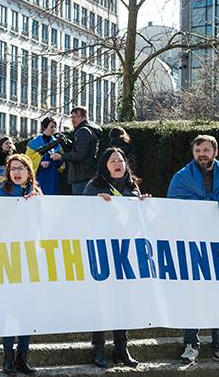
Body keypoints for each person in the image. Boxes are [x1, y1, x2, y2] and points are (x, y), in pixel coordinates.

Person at [167, 135, 219, 366]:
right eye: (198, 150)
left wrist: (208, 203)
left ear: (215, 152)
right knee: (192, 294)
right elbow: (172, 207)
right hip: (192, 244)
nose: (202, 154)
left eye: (206, 150)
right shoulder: (181, 178)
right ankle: (191, 344)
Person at [82, 147, 149, 368]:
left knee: (123, 301)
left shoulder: (132, 187)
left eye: (121, 160)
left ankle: (122, 347)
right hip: (101, 251)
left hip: (125, 252)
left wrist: (144, 205)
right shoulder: (93, 187)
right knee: (102, 301)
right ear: (104, 165)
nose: (118, 163)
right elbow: (80, 215)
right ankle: (99, 348)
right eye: (112, 160)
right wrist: (94, 204)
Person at [0, 154, 39, 374]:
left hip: (32, 258)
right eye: (13, 169)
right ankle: (8, 358)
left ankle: (23, 356)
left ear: (29, 172)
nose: (17, 172)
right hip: (7, 257)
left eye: (21, 168)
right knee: (9, 309)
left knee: (27, 310)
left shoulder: (38, 195)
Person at [49, 107, 100, 195]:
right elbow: (80, 149)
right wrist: (67, 143)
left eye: (75, 117)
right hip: (85, 173)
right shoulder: (86, 130)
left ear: (84, 117)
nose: (73, 120)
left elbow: (80, 154)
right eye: (71, 117)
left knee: (80, 205)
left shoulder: (83, 131)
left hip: (81, 175)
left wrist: (61, 157)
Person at [26, 117, 64, 195]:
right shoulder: (34, 142)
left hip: (53, 175)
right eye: (51, 127)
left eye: (55, 127)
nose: (54, 129)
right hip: (40, 176)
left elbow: (62, 162)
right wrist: (40, 164)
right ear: (44, 127)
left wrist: (59, 159)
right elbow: (27, 160)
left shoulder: (57, 143)